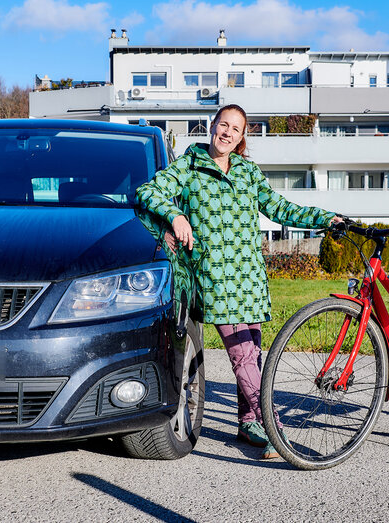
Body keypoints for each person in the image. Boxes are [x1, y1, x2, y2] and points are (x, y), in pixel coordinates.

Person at [135, 104, 341, 459]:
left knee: (253, 354)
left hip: (249, 278)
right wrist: (175, 215)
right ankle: (272, 425)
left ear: (242, 136)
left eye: (235, 129)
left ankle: (248, 422)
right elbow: (147, 193)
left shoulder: (247, 171)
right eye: (223, 125)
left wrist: (326, 218)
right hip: (217, 278)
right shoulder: (190, 166)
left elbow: (280, 208)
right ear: (212, 126)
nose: (227, 133)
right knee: (244, 356)